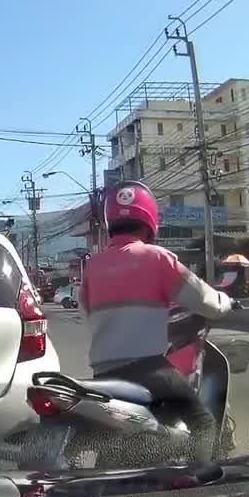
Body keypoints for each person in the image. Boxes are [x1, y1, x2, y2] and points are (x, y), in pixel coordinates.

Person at [80, 180, 235, 462]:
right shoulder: (158, 258)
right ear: (149, 219)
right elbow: (206, 300)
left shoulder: (92, 266)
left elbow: (87, 316)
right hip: (148, 370)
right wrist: (228, 303)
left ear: (110, 221)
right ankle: (199, 481)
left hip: (103, 376)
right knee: (203, 422)